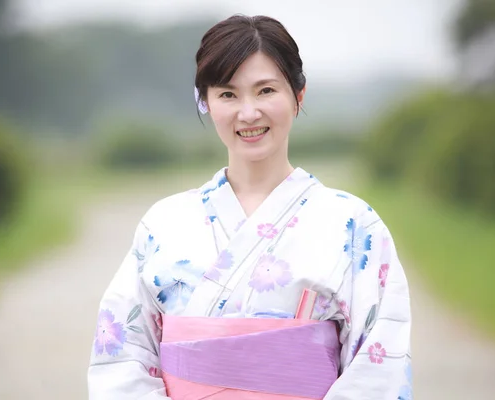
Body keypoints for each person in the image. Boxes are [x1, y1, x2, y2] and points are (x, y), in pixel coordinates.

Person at [87, 14, 412, 400]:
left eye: (266, 91)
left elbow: (379, 366)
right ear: (205, 101)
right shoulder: (163, 224)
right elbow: (122, 358)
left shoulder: (354, 225)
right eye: (228, 94)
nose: (248, 112)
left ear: (298, 95)